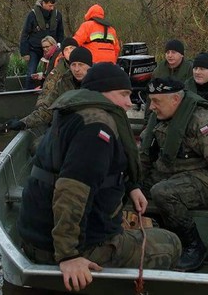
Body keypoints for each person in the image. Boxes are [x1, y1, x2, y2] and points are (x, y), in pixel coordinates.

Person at [17, 63, 181, 292]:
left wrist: (132, 186)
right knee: (170, 243)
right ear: (102, 92)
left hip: (35, 236)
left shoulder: (72, 112)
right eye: (123, 94)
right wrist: (69, 256)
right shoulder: (96, 128)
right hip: (66, 248)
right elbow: (71, 191)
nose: (129, 103)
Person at [140, 77, 208, 271]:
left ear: (175, 100)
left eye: (156, 102)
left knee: (162, 193)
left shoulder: (202, 122)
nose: (151, 107)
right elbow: (145, 155)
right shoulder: (160, 118)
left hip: (206, 180)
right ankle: (169, 231)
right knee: (137, 189)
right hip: (176, 172)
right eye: (150, 101)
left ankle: (195, 247)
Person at [5, 47, 93, 131]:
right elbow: (47, 110)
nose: (77, 69)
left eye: (81, 65)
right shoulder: (63, 82)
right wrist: (23, 123)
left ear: (90, 66)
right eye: (73, 65)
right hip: (69, 128)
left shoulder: (99, 82)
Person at [20, 0, 64, 89]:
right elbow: (25, 33)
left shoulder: (57, 15)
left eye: (53, 6)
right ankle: (27, 94)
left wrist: (61, 47)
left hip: (52, 50)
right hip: (35, 49)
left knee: (52, 74)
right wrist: (25, 52)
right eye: (49, 6)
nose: (52, 8)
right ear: (43, 3)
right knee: (31, 74)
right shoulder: (32, 15)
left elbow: (60, 32)